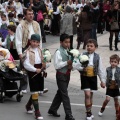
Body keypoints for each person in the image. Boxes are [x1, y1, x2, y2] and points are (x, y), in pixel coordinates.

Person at [73, 39, 106, 120]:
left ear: (96, 47)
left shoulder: (98, 57)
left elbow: (100, 69)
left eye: (91, 46)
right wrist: (81, 68)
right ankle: (88, 113)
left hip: (93, 77)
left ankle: (89, 111)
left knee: (90, 95)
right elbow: (75, 65)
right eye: (88, 46)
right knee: (87, 94)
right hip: (85, 77)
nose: (89, 48)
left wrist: (103, 80)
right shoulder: (82, 55)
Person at [48, 34, 75, 120]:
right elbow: (57, 65)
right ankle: (68, 114)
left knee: (60, 92)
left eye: (69, 42)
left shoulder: (69, 51)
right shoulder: (58, 52)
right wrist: (67, 63)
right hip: (61, 75)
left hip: (67, 75)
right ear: (61, 42)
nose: (68, 44)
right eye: (66, 42)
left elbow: (72, 63)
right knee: (64, 94)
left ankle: (52, 109)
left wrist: (73, 65)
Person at [15, 8, 42, 93]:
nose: (31, 15)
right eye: (29, 14)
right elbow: (18, 40)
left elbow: (40, 37)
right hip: (25, 46)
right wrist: (20, 52)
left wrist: (40, 49)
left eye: (32, 14)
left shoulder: (36, 24)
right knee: (24, 68)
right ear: (25, 15)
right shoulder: (21, 25)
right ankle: (23, 87)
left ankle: (38, 87)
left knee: (37, 66)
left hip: (35, 47)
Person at [23, 34, 46, 120]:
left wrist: (45, 65)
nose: (35, 43)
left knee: (36, 90)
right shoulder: (27, 52)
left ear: (39, 43)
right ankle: (37, 112)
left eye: (37, 42)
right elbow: (26, 64)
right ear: (30, 41)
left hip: (40, 71)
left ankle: (28, 105)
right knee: (35, 91)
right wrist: (34, 69)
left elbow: (44, 60)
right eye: (33, 41)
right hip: (33, 73)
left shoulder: (41, 50)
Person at [98, 54, 120, 120]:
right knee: (107, 99)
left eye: (115, 62)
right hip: (110, 86)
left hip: (116, 87)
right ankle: (102, 109)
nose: (113, 63)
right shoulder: (107, 69)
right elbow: (104, 76)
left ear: (118, 63)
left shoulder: (119, 70)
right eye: (112, 61)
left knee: (116, 101)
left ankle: (117, 113)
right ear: (110, 62)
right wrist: (103, 82)